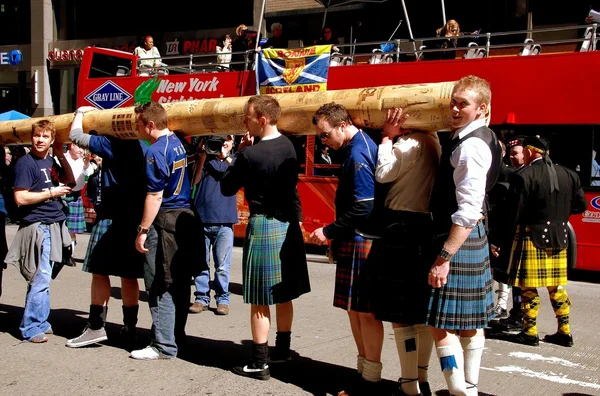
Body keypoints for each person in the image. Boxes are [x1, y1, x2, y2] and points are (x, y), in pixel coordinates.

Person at [221, 95, 310, 380]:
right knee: (284, 294)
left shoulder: (250, 155)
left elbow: (226, 187)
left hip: (263, 224)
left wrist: (238, 154)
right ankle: (282, 350)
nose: (244, 121)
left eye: (247, 117)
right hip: (288, 226)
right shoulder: (290, 147)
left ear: (261, 119)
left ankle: (260, 362)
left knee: (261, 300)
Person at [427, 75, 502, 396]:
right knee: (471, 324)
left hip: (458, 238)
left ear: (481, 108)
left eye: (463, 104)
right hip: (471, 238)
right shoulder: (483, 137)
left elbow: (468, 210)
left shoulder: (470, 146)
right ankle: (468, 388)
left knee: (440, 323)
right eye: (453, 102)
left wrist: (444, 258)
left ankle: (459, 389)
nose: (455, 109)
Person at [309, 103, 384, 393]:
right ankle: (364, 373)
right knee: (355, 310)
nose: (324, 141)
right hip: (356, 237)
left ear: (342, 125)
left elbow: (364, 207)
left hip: (362, 237)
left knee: (364, 312)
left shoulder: (357, 152)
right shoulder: (358, 146)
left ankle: (370, 381)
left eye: (325, 135)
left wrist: (328, 231)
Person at [64, 106, 148, 348]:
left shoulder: (114, 143)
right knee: (129, 275)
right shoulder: (142, 144)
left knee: (100, 271)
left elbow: (76, 137)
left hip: (111, 215)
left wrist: (80, 114)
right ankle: (130, 328)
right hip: (134, 217)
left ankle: (96, 327)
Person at [371, 108, 441, 396]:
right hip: (422, 224)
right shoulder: (435, 140)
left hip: (400, 224)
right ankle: (420, 378)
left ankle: (409, 383)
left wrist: (387, 138)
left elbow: (383, 174)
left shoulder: (412, 142)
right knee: (418, 308)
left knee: (400, 310)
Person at [498, 136, 587, 347]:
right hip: (559, 236)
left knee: (528, 288)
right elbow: (580, 206)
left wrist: (502, 239)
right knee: (556, 287)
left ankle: (529, 332)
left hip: (531, 235)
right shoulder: (570, 175)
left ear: (530, 151)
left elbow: (515, 212)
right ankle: (564, 332)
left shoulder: (524, 175)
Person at [131, 101, 203, 360]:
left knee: (159, 284)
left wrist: (142, 229)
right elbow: (195, 177)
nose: (136, 129)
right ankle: (175, 336)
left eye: (138, 124)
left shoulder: (155, 150)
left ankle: (163, 345)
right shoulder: (180, 142)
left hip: (164, 221)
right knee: (181, 282)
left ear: (150, 124)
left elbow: (154, 195)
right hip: (185, 216)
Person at [4, 120, 73, 343]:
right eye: (37, 136)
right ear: (31, 137)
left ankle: (40, 321)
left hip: (55, 224)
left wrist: (61, 154)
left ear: (52, 140)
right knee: (40, 276)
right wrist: (51, 193)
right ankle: (31, 326)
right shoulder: (26, 163)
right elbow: (20, 197)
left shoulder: (51, 160)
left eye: (45, 136)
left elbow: (70, 181)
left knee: (45, 275)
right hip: (38, 225)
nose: (40, 140)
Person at [189, 135, 237, 316]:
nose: (222, 143)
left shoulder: (235, 160)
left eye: (227, 139)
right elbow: (193, 181)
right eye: (219, 140)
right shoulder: (203, 158)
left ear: (233, 143)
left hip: (224, 221)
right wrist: (202, 154)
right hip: (201, 220)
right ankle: (201, 298)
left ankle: (223, 299)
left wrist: (224, 156)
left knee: (222, 265)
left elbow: (236, 176)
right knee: (200, 263)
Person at [62, 142, 95, 249]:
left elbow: (89, 172)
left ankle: (70, 251)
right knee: (60, 226)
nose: (82, 150)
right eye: (79, 147)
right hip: (61, 195)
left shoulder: (83, 161)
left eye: (83, 148)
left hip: (75, 196)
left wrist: (86, 164)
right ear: (71, 146)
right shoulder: (61, 158)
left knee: (71, 229)